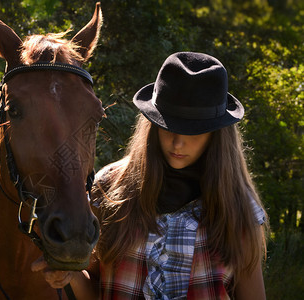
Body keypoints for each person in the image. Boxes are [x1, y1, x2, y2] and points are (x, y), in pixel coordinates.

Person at [32, 52, 269, 299]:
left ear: (216, 135)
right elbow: (94, 291)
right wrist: (69, 273)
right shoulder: (110, 190)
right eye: (168, 128)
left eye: (193, 132)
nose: (178, 143)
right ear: (153, 124)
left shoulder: (238, 209)